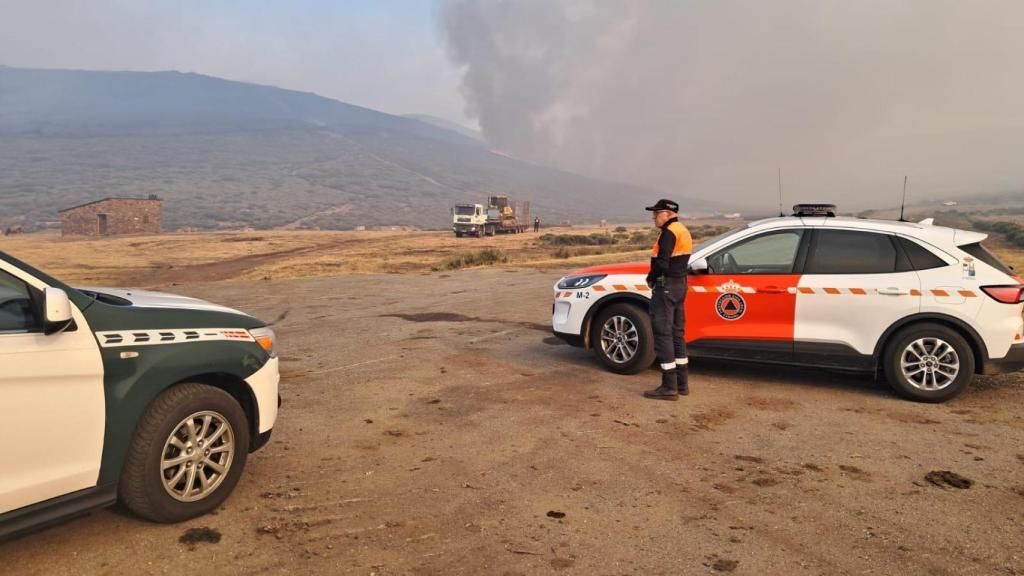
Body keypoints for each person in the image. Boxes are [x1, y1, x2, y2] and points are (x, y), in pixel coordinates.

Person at [642, 199, 692, 401]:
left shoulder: (668, 233)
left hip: (667, 287)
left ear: (669, 214)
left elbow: (662, 262)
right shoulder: (683, 230)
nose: (654, 217)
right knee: (677, 334)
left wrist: (651, 278)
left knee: (663, 334)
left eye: (657, 213)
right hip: (680, 285)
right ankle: (682, 384)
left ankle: (669, 387)